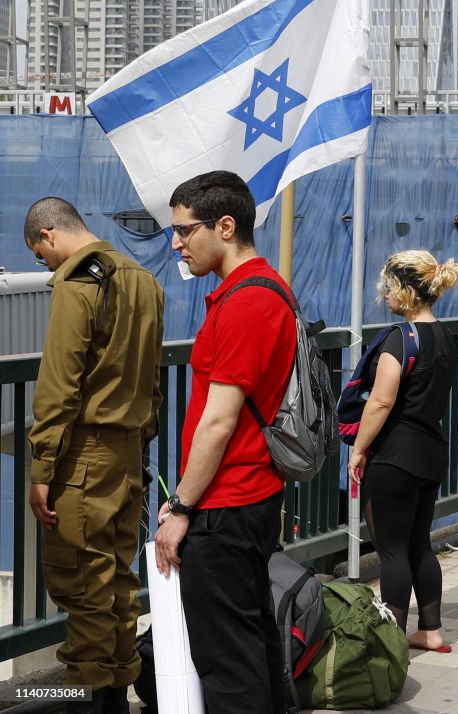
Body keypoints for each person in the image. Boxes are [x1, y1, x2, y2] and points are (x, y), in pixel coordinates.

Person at [154, 171, 293, 713]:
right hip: (250, 495)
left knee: (227, 662)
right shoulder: (268, 288)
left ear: (225, 226)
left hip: (226, 504)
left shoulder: (243, 305)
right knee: (253, 639)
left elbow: (218, 422)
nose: (177, 243)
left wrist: (183, 506)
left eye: (185, 231)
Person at [24, 197, 163, 714]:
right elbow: (152, 382)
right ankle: (114, 700)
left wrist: (42, 469)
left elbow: (58, 385)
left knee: (82, 587)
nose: (46, 264)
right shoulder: (143, 280)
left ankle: (86, 702)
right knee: (119, 585)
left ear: (48, 234)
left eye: (41, 255)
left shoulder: (80, 284)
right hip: (129, 456)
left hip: (82, 459)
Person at [348, 250, 458, 651]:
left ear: (407, 291)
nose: (385, 295)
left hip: (395, 455)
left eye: (389, 287)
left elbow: (380, 402)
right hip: (432, 453)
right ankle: (430, 631)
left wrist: (358, 449)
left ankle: (392, 644)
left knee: (392, 551)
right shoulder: (447, 338)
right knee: (420, 545)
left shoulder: (401, 339)